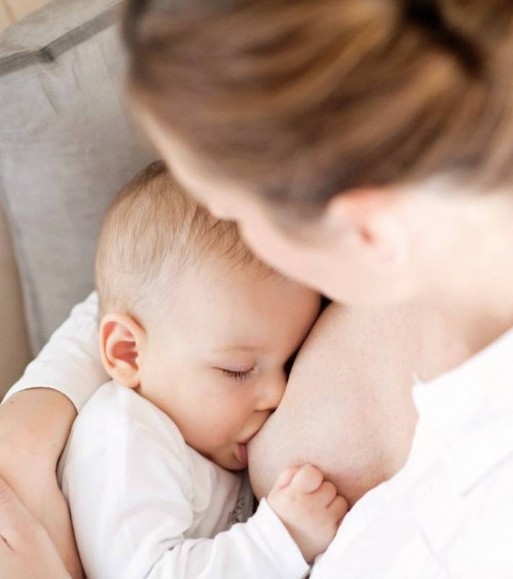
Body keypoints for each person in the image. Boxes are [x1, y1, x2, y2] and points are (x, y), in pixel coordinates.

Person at [1, 0, 513, 577]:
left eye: (235, 208)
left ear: (361, 232)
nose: (222, 223)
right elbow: (175, 280)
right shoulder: (491, 110)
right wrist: (42, 411)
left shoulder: (480, 534)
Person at [58, 161, 345, 578]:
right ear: (128, 353)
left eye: (289, 362)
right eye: (237, 370)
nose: (277, 394)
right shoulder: (125, 437)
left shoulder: (199, 437)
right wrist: (279, 539)